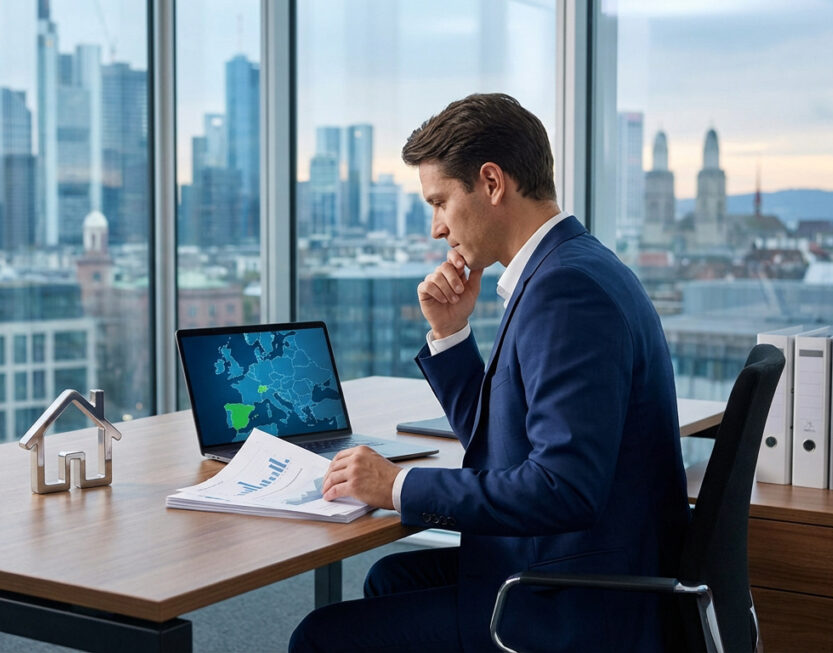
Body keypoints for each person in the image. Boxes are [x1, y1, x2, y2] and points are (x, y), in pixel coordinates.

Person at [289, 93, 690, 652]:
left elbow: (563, 487)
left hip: (578, 601)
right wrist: (452, 333)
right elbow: (504, 442)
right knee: (388, 578)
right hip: (578, 565)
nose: (435, 228)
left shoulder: (565, 291)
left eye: (440, 202)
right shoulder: (568, 266)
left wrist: (396, 484)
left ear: (492, 182)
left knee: (319, 637)